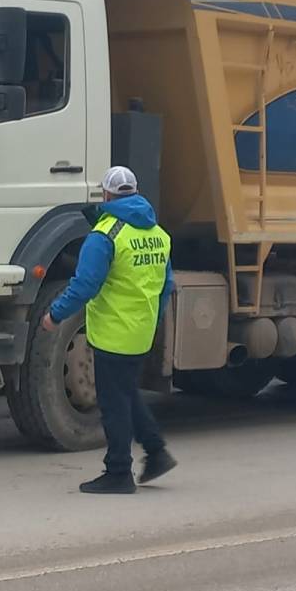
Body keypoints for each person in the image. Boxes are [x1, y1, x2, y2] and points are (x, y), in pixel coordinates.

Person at [42, 166, 178, 494]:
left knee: (114, 402)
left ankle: (118, 471)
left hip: (114, 332)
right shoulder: (157, 234)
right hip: (140, 331)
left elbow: (85, 284)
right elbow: (167, 284)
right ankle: (156, 452)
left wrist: (55, 314)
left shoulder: (105, 235)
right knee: (127, 394)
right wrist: (153, 319)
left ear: (105, 195)